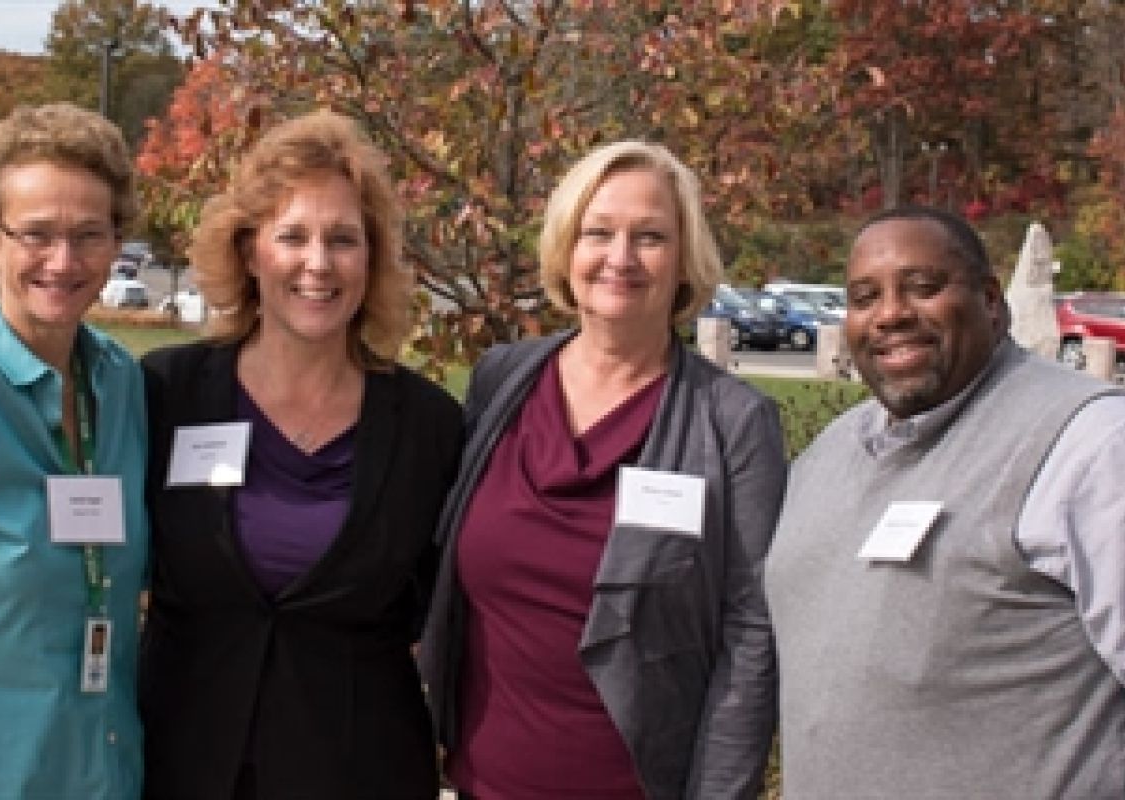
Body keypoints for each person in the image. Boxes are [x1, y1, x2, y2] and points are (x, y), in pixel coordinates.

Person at [418, 140, 786, 800]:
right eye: (598, 233)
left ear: (684, 262)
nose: (620, 258)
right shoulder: (502, 382)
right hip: (480, 783)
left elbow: (752, 637)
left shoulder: (733, 422)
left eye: (650, 236)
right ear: (566, 249)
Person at [140, 110, 463, 799]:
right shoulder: (167, 395)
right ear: (250, 251)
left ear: (370, 260)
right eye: (292, 236)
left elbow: (453, 603)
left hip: (360, 768)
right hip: (182, 760)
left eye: (343, 240)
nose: (318, 263)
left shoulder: (429, 427)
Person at [765, 206, 1125, 798]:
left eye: (923, 288)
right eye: (864, 297)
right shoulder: (826, 457)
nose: (891, 315)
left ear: (991, 301)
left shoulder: (1089, 447)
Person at [0, 103, 148, 797]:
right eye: (37, 235)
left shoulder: (120, 383)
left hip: (106, 774)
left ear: (118, 243)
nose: (64, 261)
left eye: (89, 234)